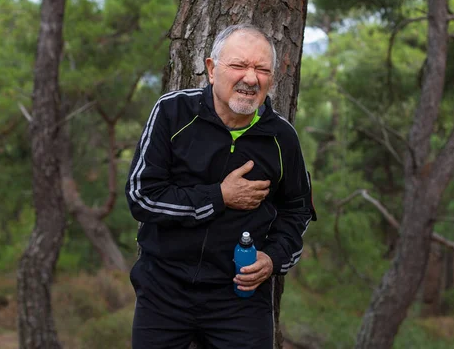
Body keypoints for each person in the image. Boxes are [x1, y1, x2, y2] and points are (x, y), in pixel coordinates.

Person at [125, 24, 316, 349]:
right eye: (239, 65)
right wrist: (219, 196)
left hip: (240, 298)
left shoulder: (281, 138)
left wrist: (272, 259)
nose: (250, 78)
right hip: (164, 289)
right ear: (212, 70)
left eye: (261, 69)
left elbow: (297, 210)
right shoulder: (172, 113)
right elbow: (141, 196)